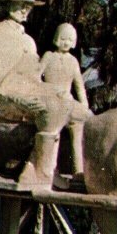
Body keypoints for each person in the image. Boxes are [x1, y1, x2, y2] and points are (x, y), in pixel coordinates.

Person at [0, 0, 90, 189]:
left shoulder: (28, 40)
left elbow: (33, 77)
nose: (24, 10)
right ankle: (39, 173)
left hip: (26, 93)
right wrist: (11, 97)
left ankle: (47, 167)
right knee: (52, 108)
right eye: (19, 5)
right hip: (1, 99)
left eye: (28, 7)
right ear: (8, 5)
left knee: (79, 112)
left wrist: (54, 90)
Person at [39, 23, 90, 179]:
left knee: (79, 128)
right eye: (63, 38)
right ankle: (50, 171)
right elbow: (35, 77)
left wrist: (84, 105)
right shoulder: (48, 56)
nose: (66, 42)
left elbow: (79, 87)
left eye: (69, 39)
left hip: (68, 102)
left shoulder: (73, 61)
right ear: (56, 38)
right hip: (51, 102)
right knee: (54, 132)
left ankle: (78, 171)